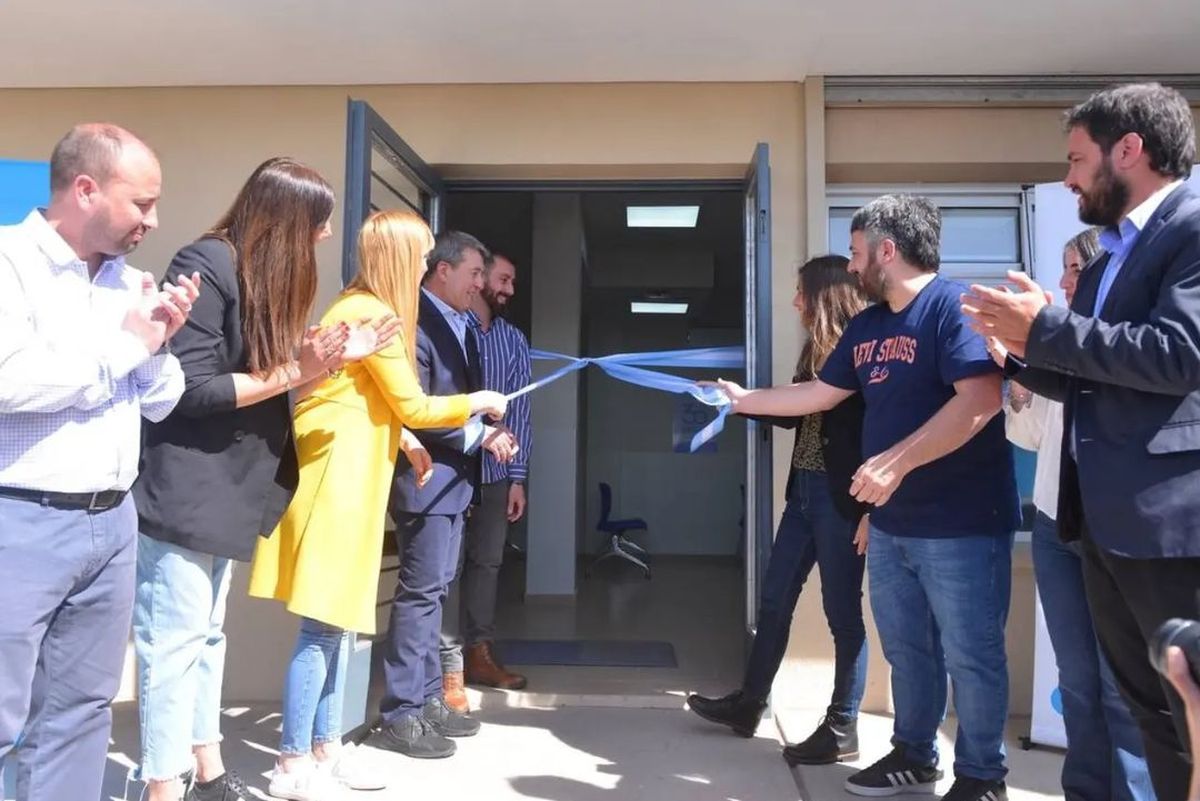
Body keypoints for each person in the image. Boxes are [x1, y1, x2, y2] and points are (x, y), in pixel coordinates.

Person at [713, 194, 1019, 801]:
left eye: (856, 254)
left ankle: (983, 777)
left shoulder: (953, 309)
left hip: (961, 523)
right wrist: (740, 400)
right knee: (908, 650)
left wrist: (895, 464)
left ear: (887, 250)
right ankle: (913, 754)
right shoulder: (868, 326)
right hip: (893, 522)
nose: (851, 268)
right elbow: (818, 397)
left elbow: (981, 400)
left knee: (971, 654)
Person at [962, 81, 1200, 801]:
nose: (1067, 178)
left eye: (1075, 159)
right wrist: (1019, 352)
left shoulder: (1191, 227)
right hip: (1096, 526)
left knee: (1189, 709)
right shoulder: (1103, 259)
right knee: (1149, 711)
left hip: (1166, 530)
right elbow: (1094, 375)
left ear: (1129, 149)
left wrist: (1048, 329)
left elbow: (1181, 353)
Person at [134, 157, 387, 801]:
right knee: (172, 646)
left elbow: (270, 388)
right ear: (287, 220)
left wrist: (322, 366)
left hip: (230, 493)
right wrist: (296, 370)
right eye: (318, 225)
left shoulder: (255, 277)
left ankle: (209, 775)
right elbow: (191, 390)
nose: (325, 238)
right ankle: (164, 787)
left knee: (207, 636)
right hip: (188, 488)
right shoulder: (206, 264)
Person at [248, 210, 507, 798]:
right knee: (322, 628)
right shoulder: (369, 313)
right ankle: (292, 763)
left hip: (355, 481)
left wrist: (409, 440)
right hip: (339, 483)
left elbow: (380, 405)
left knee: (338, 628)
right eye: (417, 258)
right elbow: (413, 403)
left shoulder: (362, 311)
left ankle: (326, 750)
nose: (423, 268)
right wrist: (480, 401)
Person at [0, 123, 199, 801]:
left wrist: (159, 340)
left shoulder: (130, 281)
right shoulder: (8, 261)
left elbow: (162, 402)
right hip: (20, 518)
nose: (154, 218)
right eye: (142, 203)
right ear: (85, 189)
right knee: (5, 716)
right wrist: (124, 347)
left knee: (82, 713)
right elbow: (8, 381)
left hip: (112, 522)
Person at [687, 255, 871, 766]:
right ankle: (749, 705)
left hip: (843, 502)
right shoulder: (816, 347)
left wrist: (873, 511)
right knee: (772, 603)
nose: (794, 302)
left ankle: (842, 726)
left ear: (823, 294)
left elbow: (880, 428)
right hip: (804, 495)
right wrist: (742, 402)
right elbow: (798, 412)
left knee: (843, 617)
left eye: (800, 293)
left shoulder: (865, 347)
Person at [997, 228, 1155, 801]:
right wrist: (1016, 375)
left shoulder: (1120, 344)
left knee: (1121, 687)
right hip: (1050, 524)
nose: (1062, 280)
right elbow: (1034, 436)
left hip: (1109, 528)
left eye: (1073, 269)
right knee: (1079, 683)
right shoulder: (1053, 343)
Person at [365, 230, 519, 760]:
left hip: (455, 483)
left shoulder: (461, 326)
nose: (481, 285)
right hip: (425, 482)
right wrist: (481, 433)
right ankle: (402, 711)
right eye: (475, 274)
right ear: (443, 271)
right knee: (420, 592)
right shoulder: (413, 323)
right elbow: (420, 407)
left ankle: (428, 697)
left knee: (435, 592)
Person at [439, 252, 533, 712]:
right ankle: (445, 668)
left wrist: (517, 477)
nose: (509, 289)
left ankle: (479, 655)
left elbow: (522, 413)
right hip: (449, 464)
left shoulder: (513, 339)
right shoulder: (448, 328)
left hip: (497, 471)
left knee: (488, 563)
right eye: (503, 278)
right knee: (445, 567)